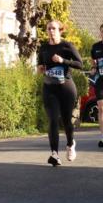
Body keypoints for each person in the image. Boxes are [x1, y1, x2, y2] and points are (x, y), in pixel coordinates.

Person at [37, 20, 83, 165]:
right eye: (49, 28)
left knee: (66, 120)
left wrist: (63, 60)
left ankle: (70, 144)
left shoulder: (66, 46)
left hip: (66, 88)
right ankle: (54, 154)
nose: (51, 31)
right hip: (49, 87)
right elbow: (40, 65)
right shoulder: (43, 48)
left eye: (54, 29)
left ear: (60, 31)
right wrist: (40, 69)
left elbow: (79, 64)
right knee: (52, 120)